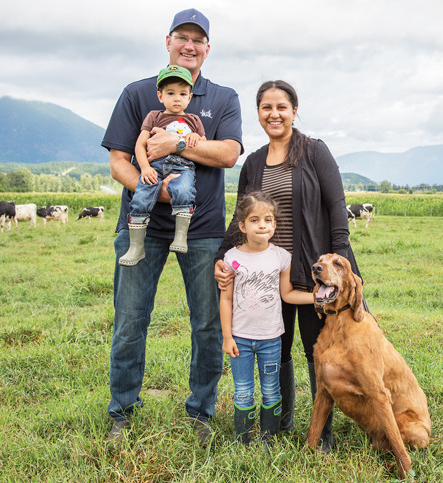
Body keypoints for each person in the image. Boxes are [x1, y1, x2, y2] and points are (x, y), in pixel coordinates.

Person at [102, 8, 243, 445]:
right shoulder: (137, 93)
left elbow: (229, 154)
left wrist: (179, 143)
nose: (189, 45)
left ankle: (200, 412)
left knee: (206, 325)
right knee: (129, 321)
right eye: (182, 37)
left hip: (202, 230)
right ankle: (122, 411)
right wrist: (160, 191)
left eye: (198, 40)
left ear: (207, 49)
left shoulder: (222, 98)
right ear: (167, 41)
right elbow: (118, 162)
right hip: (141, 223)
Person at [215, 80, 362, 451]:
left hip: (315, 277)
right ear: (259, 114)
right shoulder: (252, 162)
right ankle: (277, 426)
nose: (274, 114)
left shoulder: (315, 152)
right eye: (266, 107)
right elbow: (240, 218)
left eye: (282, 106)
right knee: (274, 351)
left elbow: (336, 211)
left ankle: (322, 436)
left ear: (294, 111)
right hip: (266, 277)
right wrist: (222, 256)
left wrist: (341, 271)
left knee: (319, 353)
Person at [219, 191, 314, 446]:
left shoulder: (281, 257)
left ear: (274, 224)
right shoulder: (232, 258)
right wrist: (227, 337)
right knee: (243, 391)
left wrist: (314, 298)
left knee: (271, 389)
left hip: (272, 339)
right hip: (240, 338)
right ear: (242, 226)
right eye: (254, 220)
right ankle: (243, 441)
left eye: (268, 220)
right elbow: (225, 299)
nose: (262, 225)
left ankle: (268, 438)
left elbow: (288, 294)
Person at [119, 64, 206, 266]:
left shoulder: (194, 120)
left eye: (182, 93)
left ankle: (180, 236)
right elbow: (140, 145)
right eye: (170, 93)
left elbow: (204, 143)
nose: (177, 98)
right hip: (155, 167)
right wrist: (145, 167)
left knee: (185, 190)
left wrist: (195, 137)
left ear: (189, 97)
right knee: (141, 196)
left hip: (183, 168)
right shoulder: (154, 116)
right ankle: (136, 247)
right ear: (160, 96)